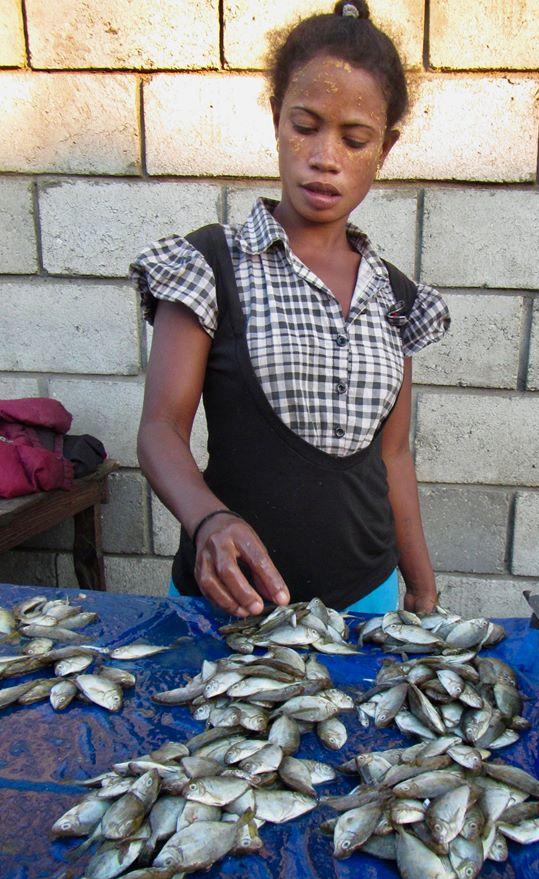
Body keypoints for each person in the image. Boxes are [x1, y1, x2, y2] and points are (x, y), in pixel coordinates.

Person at [130, 0, 450, 621]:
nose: (325, 157)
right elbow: (160, 431)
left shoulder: (395, 296)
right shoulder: (211, 266)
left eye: (354, 139)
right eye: (305, 126)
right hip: (231, 604)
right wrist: (209, 522)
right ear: (276, 120)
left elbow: (394, 457)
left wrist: (422, 584)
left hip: (367, 604)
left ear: (384, 149)